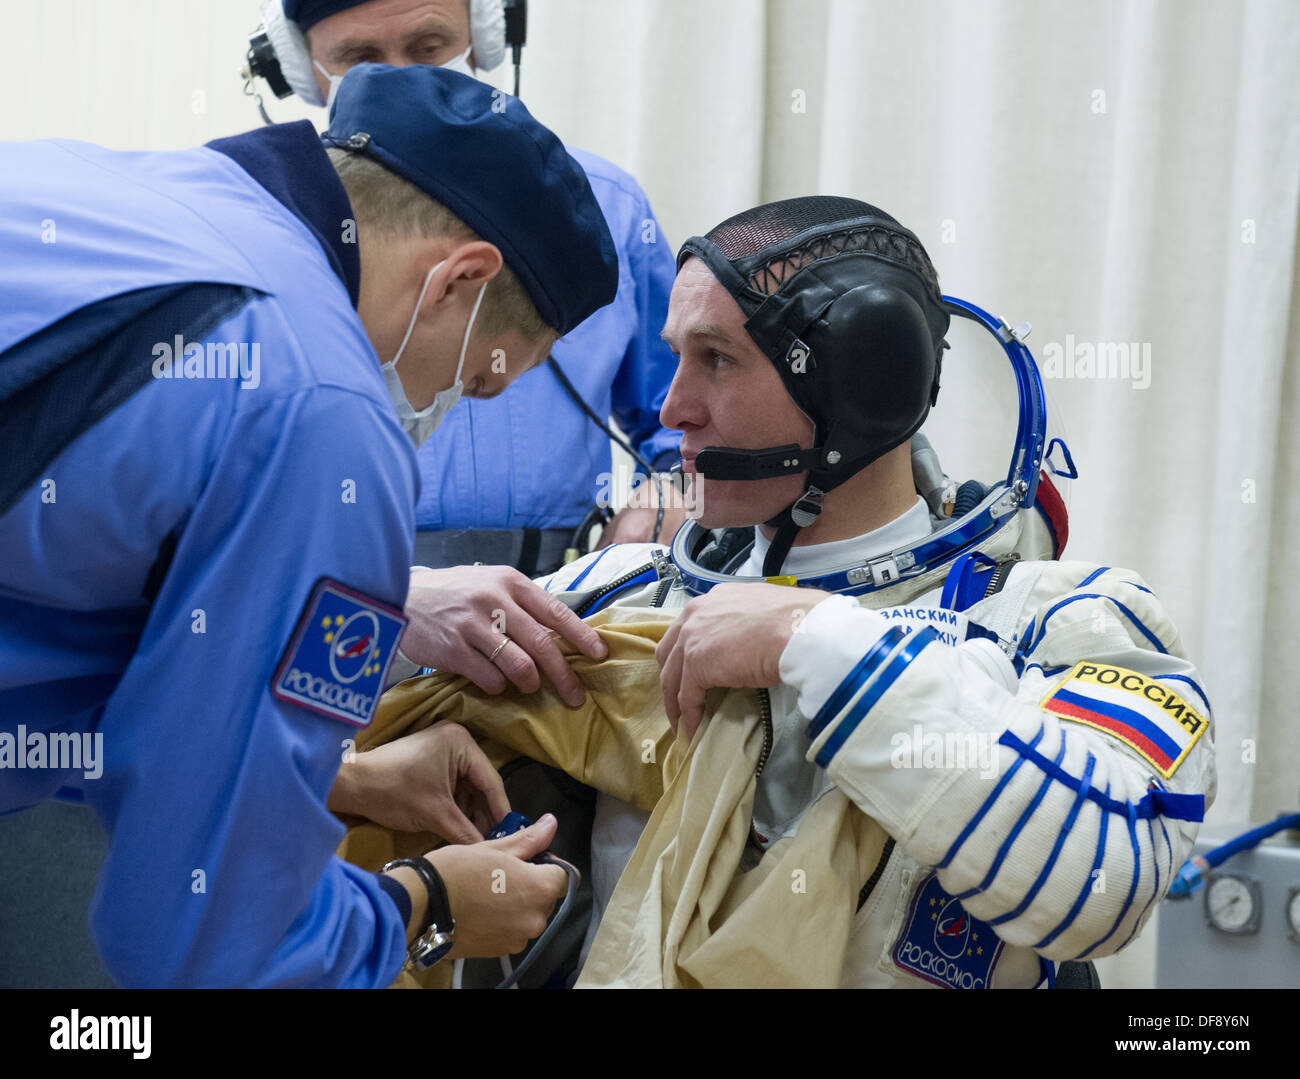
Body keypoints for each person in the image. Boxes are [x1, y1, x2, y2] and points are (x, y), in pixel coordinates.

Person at [350, 196, 1216, 986]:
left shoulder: (1059, 618)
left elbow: (1109, 872)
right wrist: (398, 609)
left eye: (716, 360)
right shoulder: (621, 590)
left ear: (859, 388)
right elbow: (264, 721)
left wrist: (815, 636)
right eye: (676, 359)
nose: (673, 408)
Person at [0, 62, 617, 987]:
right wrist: (429, 905)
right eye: (478, 380)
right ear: (459, 278)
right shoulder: (323, 415)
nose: (447, 405)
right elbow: (206, 942)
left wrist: (338, 782)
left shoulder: (97, 194)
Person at [251, 0, 687, 705]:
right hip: (347, 606)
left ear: (488, 36)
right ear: (300, 69)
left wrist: (667, 493)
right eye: (362, 60)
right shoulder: (274, 232)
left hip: (550, 616)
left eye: (427, 45)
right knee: (336, 787)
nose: (398, 84)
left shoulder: (599, 211)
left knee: (526, 807)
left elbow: (686, 424)